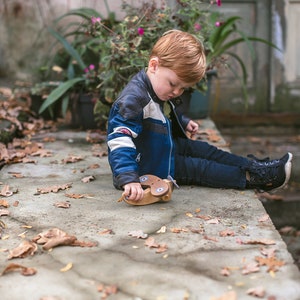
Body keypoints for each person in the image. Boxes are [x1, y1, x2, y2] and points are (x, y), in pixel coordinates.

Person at [107, 30, 293, 204]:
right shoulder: (133, 99)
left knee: (206, 150)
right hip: (152, 165)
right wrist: (128, 178)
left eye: (183, 88)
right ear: (154, 65)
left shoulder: (155, 88)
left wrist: (184, 122)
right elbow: (119, 139)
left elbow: (160, 115)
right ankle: (258, 179)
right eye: (173, 84)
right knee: (201, 168)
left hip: (161, 148)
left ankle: (256, 167)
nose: (177, 92)